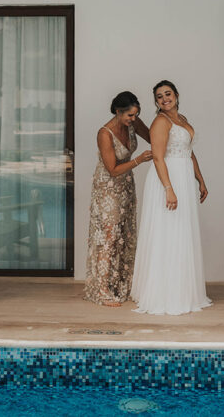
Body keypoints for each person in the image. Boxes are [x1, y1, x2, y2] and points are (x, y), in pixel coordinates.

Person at [131, 80, 212, 315]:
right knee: (169, 232)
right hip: (168, 178)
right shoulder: (160, 122)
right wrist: (168, 188)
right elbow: (158, 157)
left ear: (176, 94)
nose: (164, 98)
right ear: (156, 101)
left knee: (182, 231)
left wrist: (200, 179)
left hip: (184, 177)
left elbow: (189, 152)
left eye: (168, 94)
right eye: (159, 96)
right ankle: (165, 293)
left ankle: (185, 289)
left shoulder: (182, 119)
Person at [84, 91, 153, 307]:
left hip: (126, 186)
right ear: (117, 111)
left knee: (124, 233)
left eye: (136, 115)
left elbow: (153, 137)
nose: (134, 119)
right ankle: (102, 289)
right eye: (130, 116)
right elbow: (112, 169)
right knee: (108, 236)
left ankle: (121, 283)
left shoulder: (134, 122)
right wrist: (140, 160)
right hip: (108, 188)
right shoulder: (104, 134)